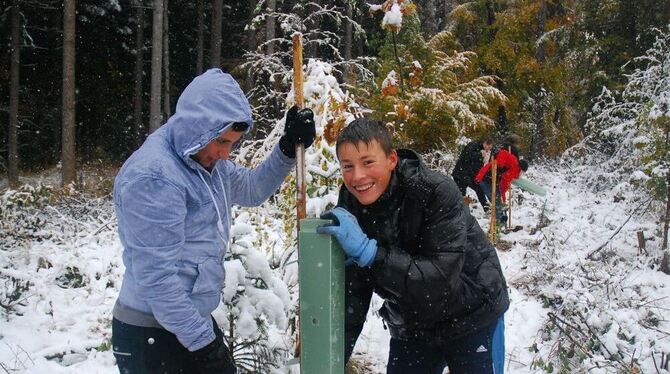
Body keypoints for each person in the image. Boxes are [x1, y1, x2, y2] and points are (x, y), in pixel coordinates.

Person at [111, 68, 315, 374]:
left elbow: (252, 188)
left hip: (184, 326)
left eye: (231, 143)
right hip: (151, 334)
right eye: (220, 141)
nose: (224, 153)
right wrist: (205, 344)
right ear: (197, 127)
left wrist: (286, 148)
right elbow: (158, 281)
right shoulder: (155, 177)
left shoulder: (205, 161)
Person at [316, 119, 509, 374]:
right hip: (413, 322)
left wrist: (369, 253)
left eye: (368, 162)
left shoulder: (435, 191)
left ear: (392, 159)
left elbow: (440, 281)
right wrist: (331, 362)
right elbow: (354, 293)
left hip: (473, 314)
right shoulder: (352, 204)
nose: (357, 176)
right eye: (347, 166)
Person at [475, 143, 528, 224]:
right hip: (485, 178)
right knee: (496, 201)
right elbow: (503, 185)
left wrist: (502, 199)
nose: (522, 175)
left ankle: (500, 222)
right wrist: (500, 163)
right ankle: (499, 223)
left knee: (497, 201)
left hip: (491, 178)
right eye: (523, 172)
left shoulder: (514, 166)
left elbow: (502, 187)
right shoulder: (514, 167)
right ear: (521, 169)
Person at [451, 136, 494, 208]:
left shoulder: (483, 150)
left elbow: (478, 165)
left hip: (471, 175)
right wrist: (480, 155)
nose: (488, 150)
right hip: (461, 174)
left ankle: (486, 208)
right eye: (488, 148)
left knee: (480, 190)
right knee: (461, 195)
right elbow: (466, 157)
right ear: (485, 143)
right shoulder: (473, 145)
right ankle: (459, 212)